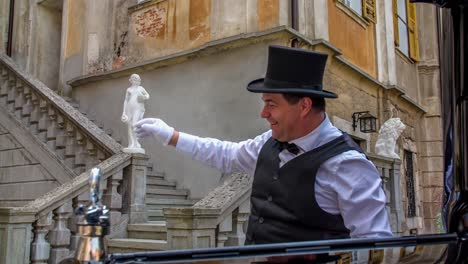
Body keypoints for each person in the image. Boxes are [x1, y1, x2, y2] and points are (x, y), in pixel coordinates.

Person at [135, 45, 393, 245]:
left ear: (303, 106)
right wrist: (170, 135)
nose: (264, 113)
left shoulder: (348, 165)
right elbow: (226, 154)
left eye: (271, 104)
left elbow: (375, 246)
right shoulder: (267, 142)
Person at [121, 73, 150, 153]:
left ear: (139, 80)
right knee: (129, 125)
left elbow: (147, 95)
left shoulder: (141, 88)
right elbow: (126, 100)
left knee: (135, 124)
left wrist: (144, 97)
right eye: (134, 79)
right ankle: (132, 143)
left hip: (138, 108)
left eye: (136, 79)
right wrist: (124, 112)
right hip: (129, 108)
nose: (135, 81)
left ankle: (136, 142)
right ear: (131, 80)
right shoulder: (128, 89)